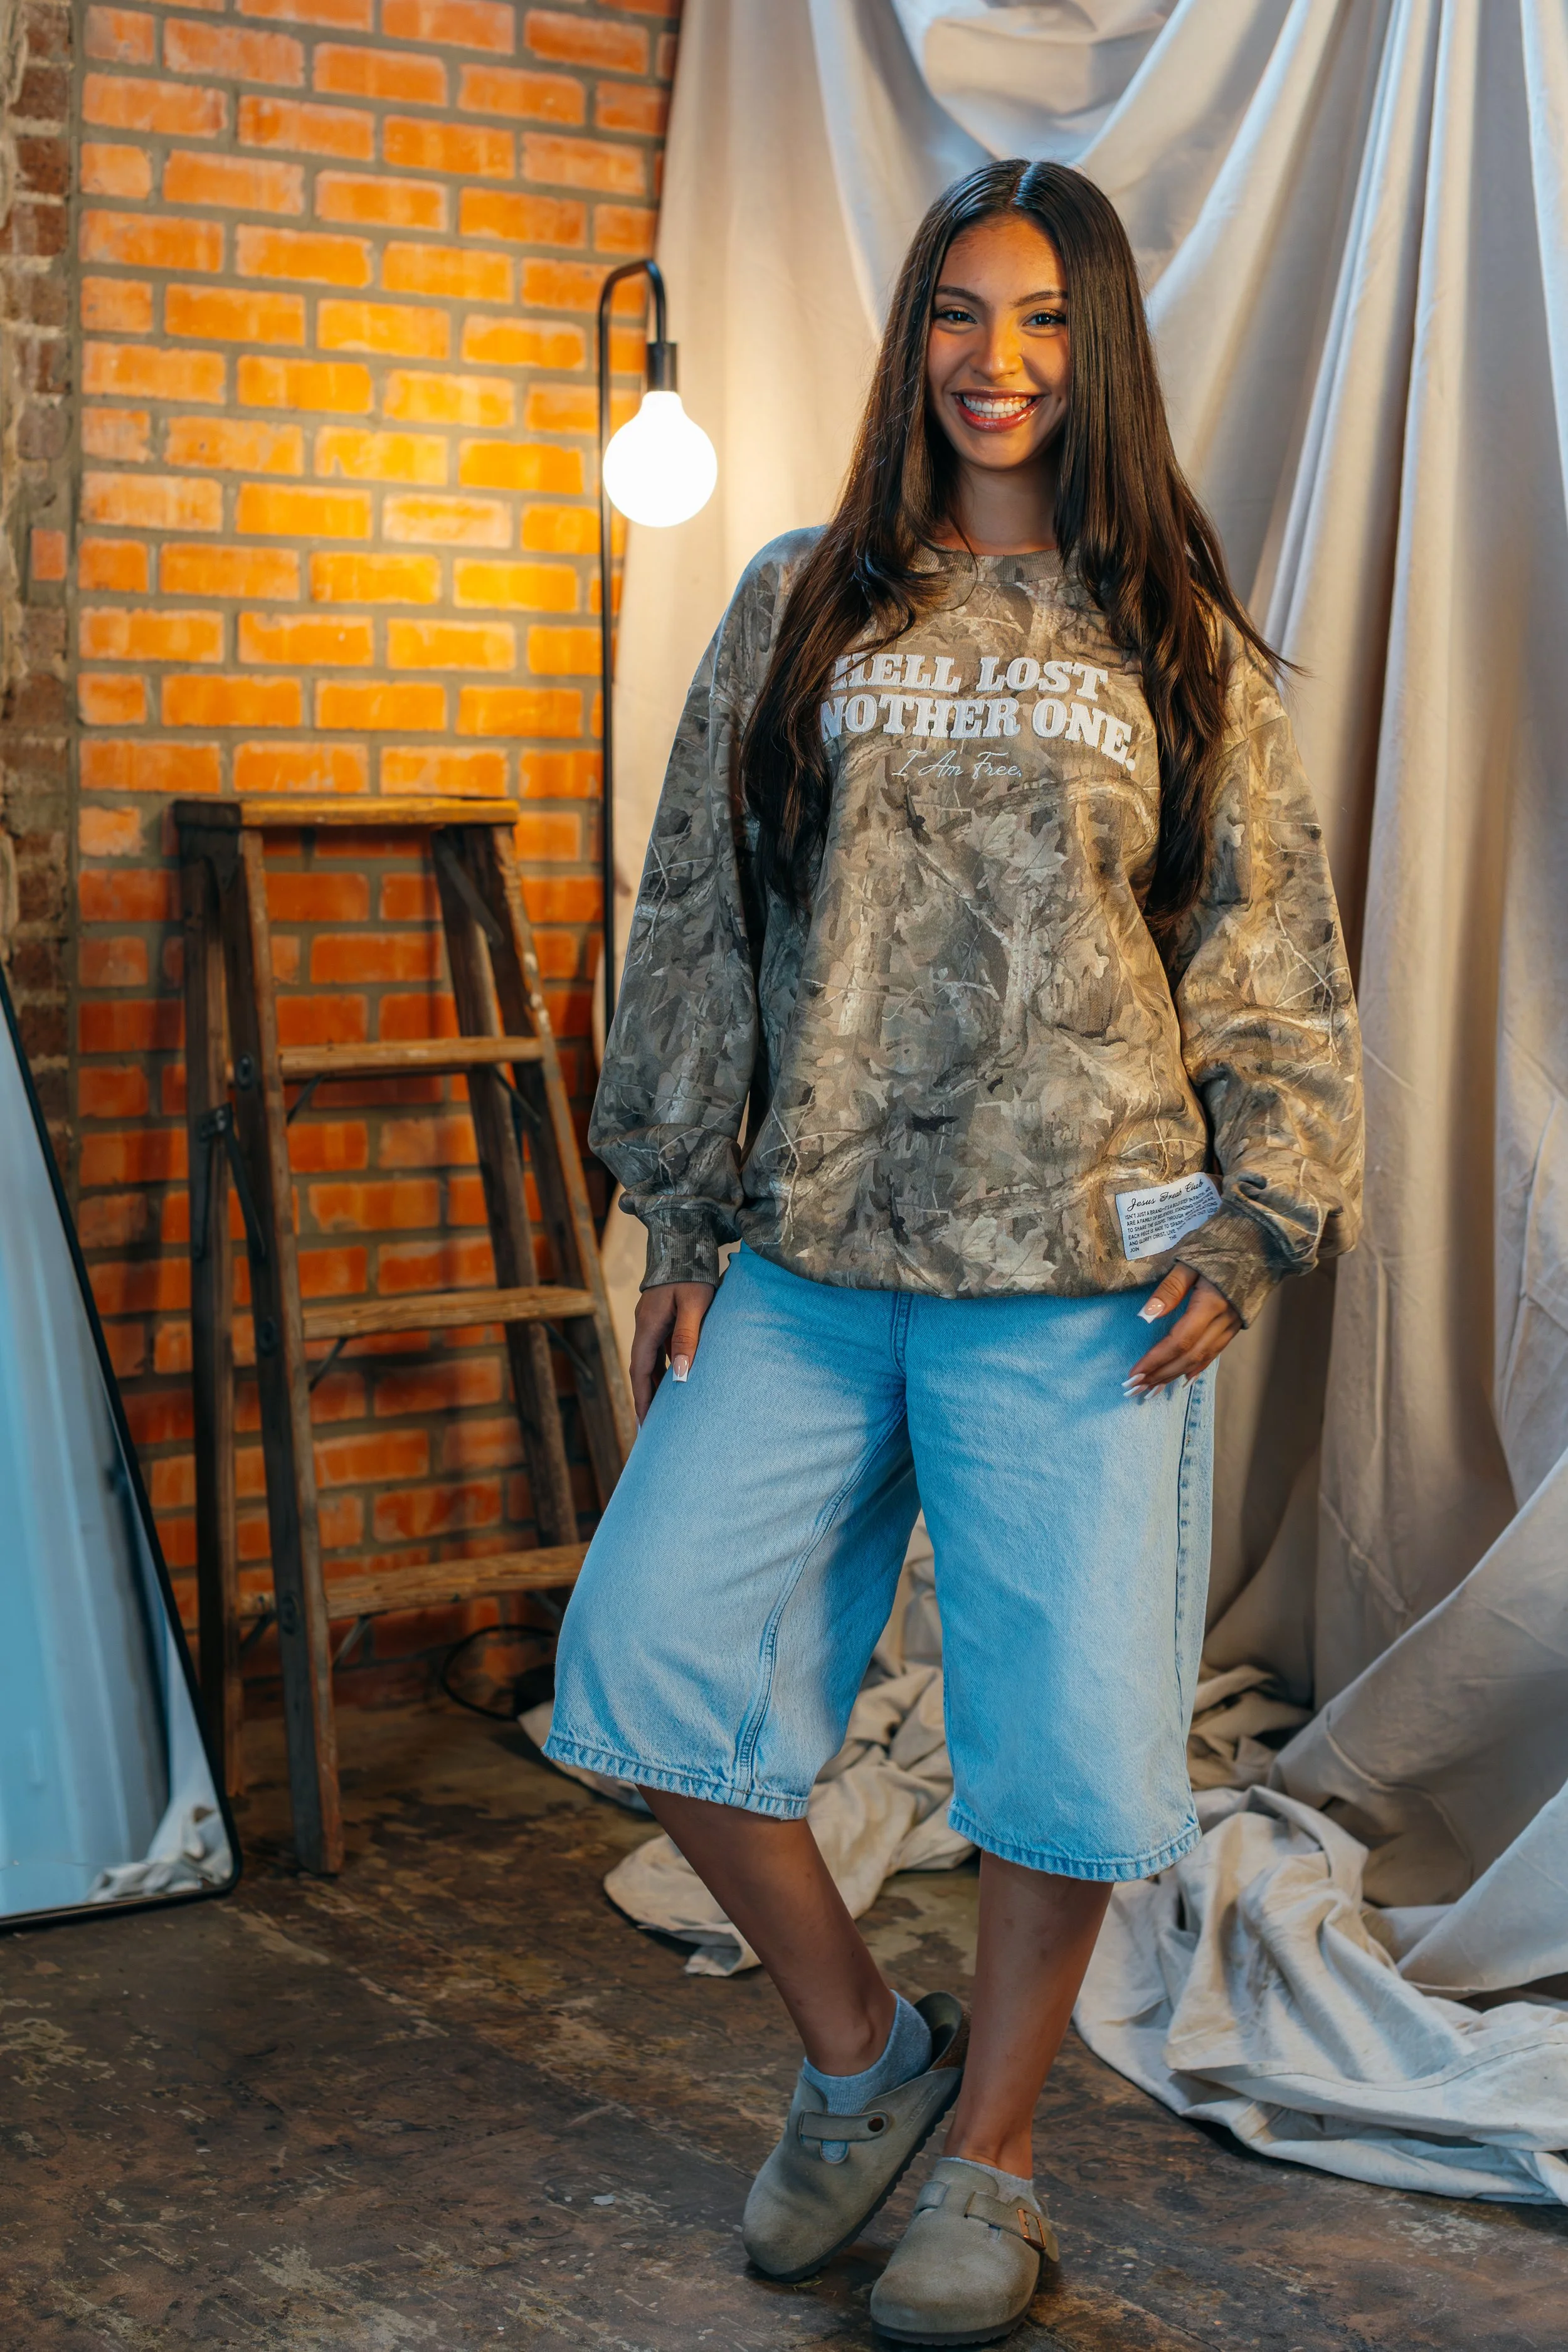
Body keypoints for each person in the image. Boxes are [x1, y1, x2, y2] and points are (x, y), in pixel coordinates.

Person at [546, 158, 1362, 2347]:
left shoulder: (1171, 638)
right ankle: (860, 2069)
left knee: (1060, 1749)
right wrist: (679, 1202)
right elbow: (696, 915)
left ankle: (987, 2159)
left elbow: (1264, 955)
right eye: (955, 316)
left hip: (1082, 1288)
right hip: (809, 1265)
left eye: (1040, 323)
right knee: (638, 1664)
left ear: (1096, 351)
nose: (994, 364)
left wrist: (1264, 1208)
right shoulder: (804, 596)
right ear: (910, 337)